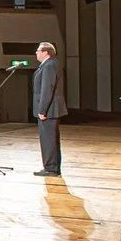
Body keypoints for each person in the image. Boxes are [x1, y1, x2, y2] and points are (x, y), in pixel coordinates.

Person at [32, 42, 68, 177]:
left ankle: (51, 168)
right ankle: (52, 167)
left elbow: (47, 89)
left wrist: (42, 110)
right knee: (50, 139)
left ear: (45, 52)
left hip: (49, 110)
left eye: (38, 51)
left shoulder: (49, 65)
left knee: (48, 140)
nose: (36, 53)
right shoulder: (50, 64)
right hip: (50, 109)